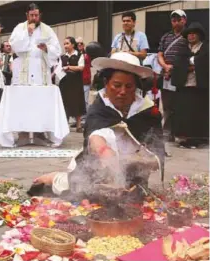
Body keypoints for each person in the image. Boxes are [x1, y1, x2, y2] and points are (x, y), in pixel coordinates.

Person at [30, 52, 165, 200]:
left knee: (132, 199)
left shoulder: (147, 111)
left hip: (134, 170)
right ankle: (54, 178)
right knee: (81, 190)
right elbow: (96, 140)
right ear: (106, 84)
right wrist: (110, 166)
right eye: (117, 85)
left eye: (129, 86)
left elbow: (156, 156)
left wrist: (132, 162)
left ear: (136, 87)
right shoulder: (99, 109)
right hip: (98, 167)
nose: (122, 92)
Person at [0, 3, 69, 147]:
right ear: (26, 15)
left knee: (40, 104)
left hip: (41, 71)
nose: (34, 18)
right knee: (23, 104)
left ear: (40, 15)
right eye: (32, 15)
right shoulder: (19, 28)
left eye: (37, 15)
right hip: (22, 72)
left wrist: (46, 48)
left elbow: (57, 50)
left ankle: (40, 134)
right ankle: (23, 134)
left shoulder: (47, 29)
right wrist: (28, 32)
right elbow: (14, 46)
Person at [171, 22, 209, 148]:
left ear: (199, 35)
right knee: (184, 112)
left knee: (197, 113)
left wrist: (192, 64)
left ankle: (198, 139)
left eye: (194, 34)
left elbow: (204, 63)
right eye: (189, 34)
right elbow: (178, 64)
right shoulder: (184, 48)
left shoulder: (205, 48)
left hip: (200, 86)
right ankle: (184, 138)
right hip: (185, 85)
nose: (191, 36)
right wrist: (190, 66)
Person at [157, 9, 188, 148]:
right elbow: (160, 54)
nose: (176, 22)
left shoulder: (188, 36)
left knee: (181, 105)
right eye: (173, 20)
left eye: (179, 19)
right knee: (167, 105)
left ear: (184, 20)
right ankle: (167, 133)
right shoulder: (165, 37)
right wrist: (165, 66)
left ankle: (179, 133)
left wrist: (176, 67)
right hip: (167, 75)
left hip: (182, 76)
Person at [60, 37, 86, 133]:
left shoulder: (79, 55)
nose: (65, 46)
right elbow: (59, 68)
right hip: (65, 83)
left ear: (73, 45)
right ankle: (65, 125)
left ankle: (79, 125)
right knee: (65, 103)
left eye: (67, 43)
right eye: (64, 44)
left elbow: (81, 67)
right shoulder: (62, 57)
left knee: (77, 102)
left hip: (76, 83)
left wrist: (69, 67)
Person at [76, 37, 92, 124]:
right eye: (77, 43)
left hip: (85, 80)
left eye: (81, 43)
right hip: (76, 81)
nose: (79, 45)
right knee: (77, 100)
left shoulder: (87, 55)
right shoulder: (73, 54)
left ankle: (84, 118)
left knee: (85, 101)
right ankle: (78, 119)